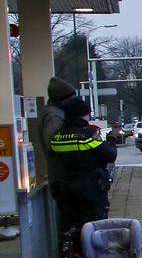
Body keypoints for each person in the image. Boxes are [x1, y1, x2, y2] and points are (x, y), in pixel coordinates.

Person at [49, 97, 116, 236]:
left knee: (70, 228)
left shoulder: (57, 137)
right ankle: (90, 255)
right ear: (83, 114)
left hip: (64, 192)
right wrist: (111, 141)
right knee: (95, 229)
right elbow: (109, 156)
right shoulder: (88, 135)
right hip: (90, 191)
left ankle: (69, 254)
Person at [36, 77, 77, 163]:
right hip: (59, 167)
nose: (74, 100)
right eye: (72, 97)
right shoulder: (54, 116)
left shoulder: (52, 112)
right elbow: (52, 143)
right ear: (64, 98)